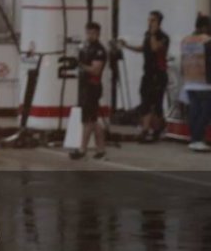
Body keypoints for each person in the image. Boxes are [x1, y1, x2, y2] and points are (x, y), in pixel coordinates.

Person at [118, 10, 170, 142]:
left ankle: (157, 129)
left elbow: (154, 48)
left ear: (158, 22)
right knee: (145, 101)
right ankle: (145, 130)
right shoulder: (147, 35)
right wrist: (127, 46)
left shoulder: (163, 37)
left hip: (158, 74)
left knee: (156, 103)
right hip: (148, 73)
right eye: (149, 20)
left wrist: (153, 34)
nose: (150, 22)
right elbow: (144, 48)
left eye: (153, 20)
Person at [70, 21, 108, 160]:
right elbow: (79, 63)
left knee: (88, 121)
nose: (90, 35)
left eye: (93, 33)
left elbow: (96, 70)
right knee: (92, 119)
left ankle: (82, 149)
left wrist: (79, 65)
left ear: (98, 34)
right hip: (84, 86)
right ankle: (101, 149)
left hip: (93, 87)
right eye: (88, 32)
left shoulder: (99, 50)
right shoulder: (84, 47)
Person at [178, 14, 211, 152]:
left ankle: (194, 139)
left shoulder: (186, 40)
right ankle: (198, 138)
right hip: (204, 81)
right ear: (204, 26)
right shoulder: (207, 41)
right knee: (205, 112)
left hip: (190, 81)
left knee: (194, 111)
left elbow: (182, 60)